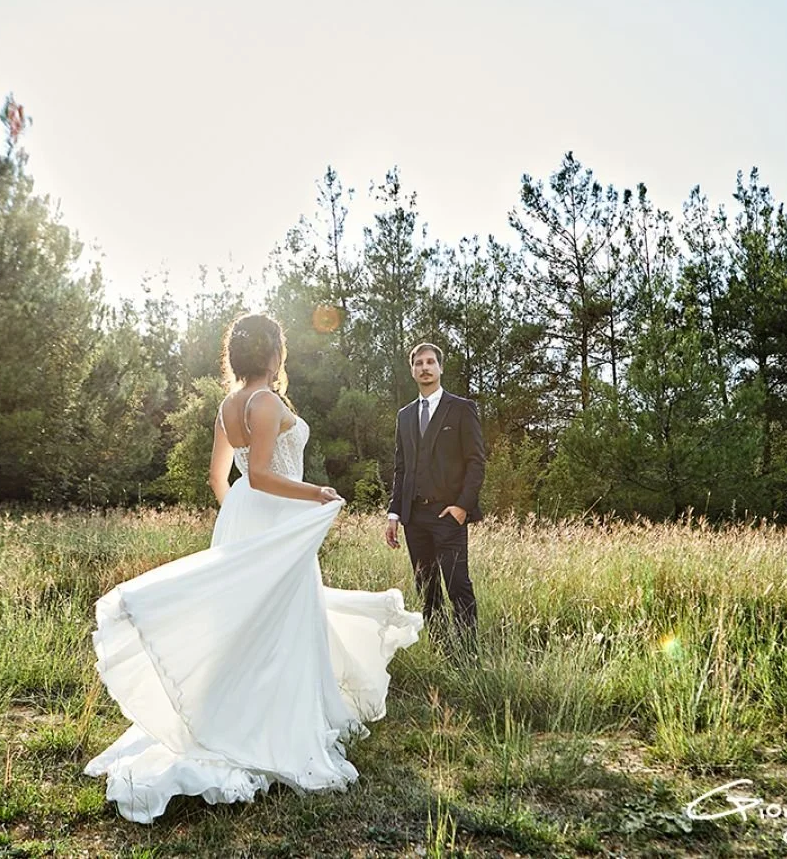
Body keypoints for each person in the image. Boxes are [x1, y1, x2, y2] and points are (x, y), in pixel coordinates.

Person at [85, 313, 423, 823]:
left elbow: (219, 477)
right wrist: (316, 494)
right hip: (270, 517)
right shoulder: (265, 401)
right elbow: (263, 473)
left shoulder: (228, 405)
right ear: (273, 354)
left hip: (244, 517)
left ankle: (230, 709)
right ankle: (265, 724)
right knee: (279, 624)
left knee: (247, 626)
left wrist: (239, 522)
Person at [384, 342, 486, 650]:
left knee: (458, 587)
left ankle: (468, 655)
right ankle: (442, 650)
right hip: (414, 517)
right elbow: (401, 468)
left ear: (440, 368)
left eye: (430, 362)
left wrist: (461, 507)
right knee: (426, 589)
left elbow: (476, 462)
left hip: (449, 516)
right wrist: (394, 514)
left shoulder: (461, 408)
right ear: (412, 370)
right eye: (419, 363)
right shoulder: (404, 415)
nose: (425, 368)